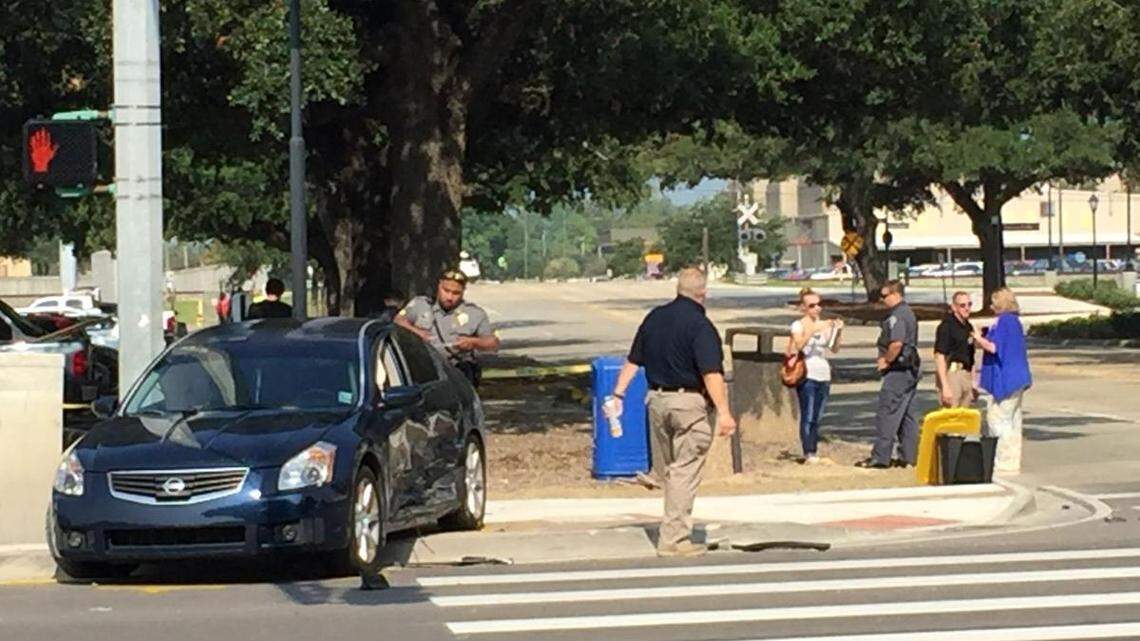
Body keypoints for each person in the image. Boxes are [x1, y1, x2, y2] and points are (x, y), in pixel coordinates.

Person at [610, 267, 737, 558]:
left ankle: (672, 525)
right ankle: (675, 539)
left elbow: (633, 360)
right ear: (703, 293)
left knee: (670, 471)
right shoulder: (701, 327)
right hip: (688, 404)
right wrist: (725, 412)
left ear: (677, 289)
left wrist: (618, 392)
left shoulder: (654, 318)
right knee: (684, 471)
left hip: (656, 400)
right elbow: (711, 373)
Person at [396, 269, 500, 386]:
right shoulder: (420, 305)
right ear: (439, 285)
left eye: (456, 293)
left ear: (463, 291)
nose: (450, 297)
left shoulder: (474, 313)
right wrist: (417, 332)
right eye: (446, 291)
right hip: (423, 371)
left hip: (458, 372)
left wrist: (473, 342)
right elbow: (398, 321)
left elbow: (492, 343)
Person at [859, 280, 921, 469]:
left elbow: (896, 343)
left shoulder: (897, 316)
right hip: (909, 370)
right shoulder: (907, 313)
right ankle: (909, 457)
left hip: (898, 371)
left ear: (896, 294)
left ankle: (880, 457)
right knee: (907, 416)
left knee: (887, 413)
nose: (882, 299)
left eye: (885, 296)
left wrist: (885, 360)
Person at [973, 287, 1032, 473]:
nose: (991, 306)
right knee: (1014, 419)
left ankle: (1002, 461)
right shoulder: (1015, 322)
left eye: (993, 302)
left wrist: (977, 337)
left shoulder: (1004, 321)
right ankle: (1013, 461)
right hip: (1019, 377)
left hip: (1007, 378)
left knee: (997, 419)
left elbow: (993, 347)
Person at [787, 288, 843, 464]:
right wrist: (811, 330)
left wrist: (838, 331)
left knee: (818, 416)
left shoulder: (823, 324)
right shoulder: (798, 325)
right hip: (807, 373)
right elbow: (799, 346)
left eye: (819, 304)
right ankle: (808, 451)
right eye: (812, 306)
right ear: (803, 308)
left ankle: (814, 449)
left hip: (823, 373)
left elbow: (834, 348)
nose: (816, 309)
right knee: (808, 414)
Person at [934, 291, 977, 408]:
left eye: (969, 304)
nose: (967, 308)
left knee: (964, 419)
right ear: (954, 307)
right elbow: (939, 356)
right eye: (962, 305)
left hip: (966, 374)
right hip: (952, 374)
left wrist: (974, 381)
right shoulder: (946, 327)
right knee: (951, 417)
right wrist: (945, 386)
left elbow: (971, 356)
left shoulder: (968, 326)